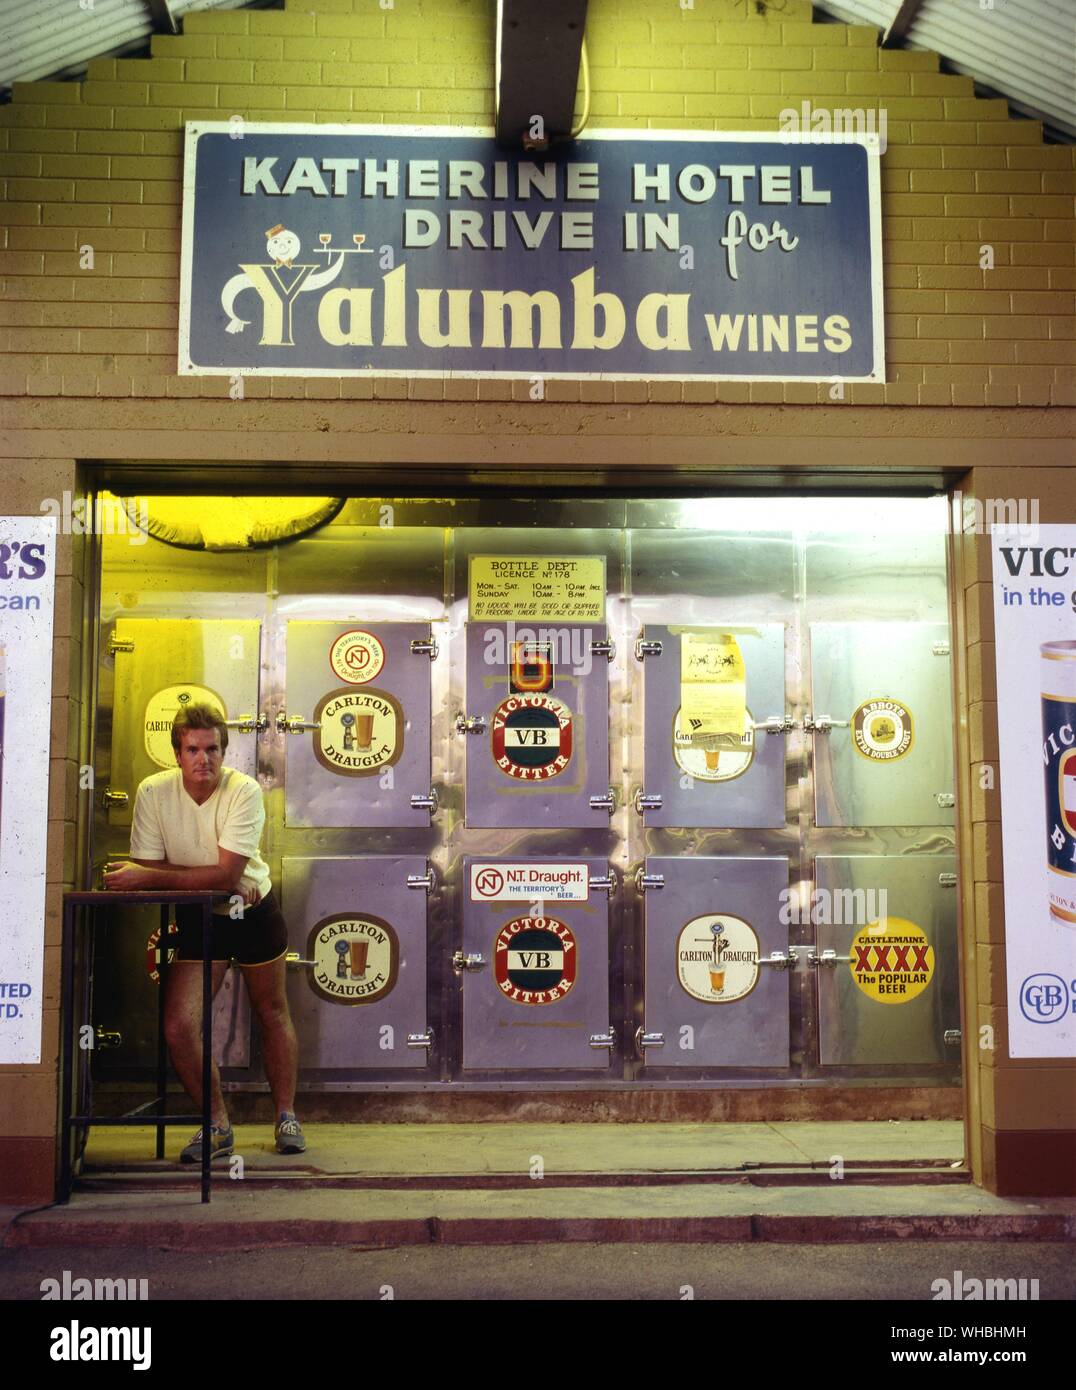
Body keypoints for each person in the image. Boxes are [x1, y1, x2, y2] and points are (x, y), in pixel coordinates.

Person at [103, 702, 305, 1162]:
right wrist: (209, 877)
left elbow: (221, 876)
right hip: (199, 916)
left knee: (272, 1013)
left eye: (212, 748)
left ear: (224, 751)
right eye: (193, 749)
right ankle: (216, 1124)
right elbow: (153, 868)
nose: (203, 759)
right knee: (178, 1027)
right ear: (176, 754)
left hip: (253, 913)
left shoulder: (245, 790)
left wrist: (206, 877)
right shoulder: (154, 792)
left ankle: (286, 1116)